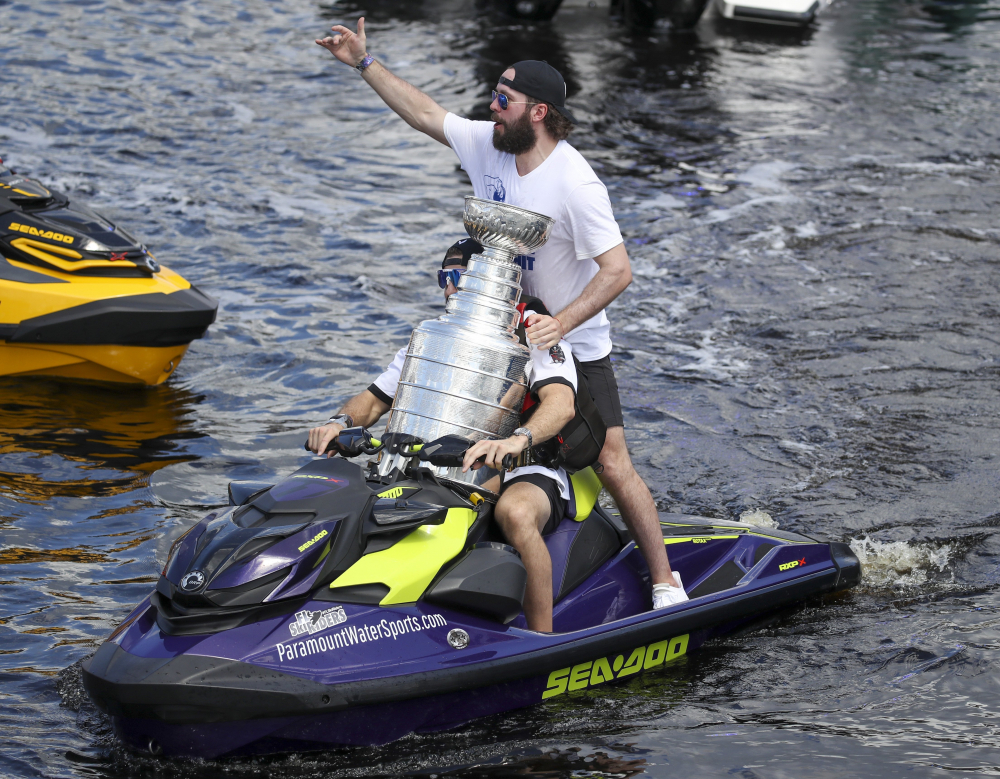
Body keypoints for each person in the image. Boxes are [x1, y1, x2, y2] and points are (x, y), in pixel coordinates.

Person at [315, 21, 687, 608]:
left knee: (613, 461)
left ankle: (666, 582)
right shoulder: (491, 142)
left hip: (565, 341)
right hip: (491, 327)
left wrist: (559, 324)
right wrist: (363, 62)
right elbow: (424, 115)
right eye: (494, 94)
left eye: (503, 99)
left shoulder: (576, 183)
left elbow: (619, 270)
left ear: (538, 112)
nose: (491, 106)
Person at [309, 240, 580, 632]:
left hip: (525, 464)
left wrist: (515, 441)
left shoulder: (532, 331)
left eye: (458, 277)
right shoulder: (432, 338)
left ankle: (542, 639)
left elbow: (561, 404)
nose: (449, 288)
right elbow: (370, 402)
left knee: (515, 515)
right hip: (439, 466)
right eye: (444, 278)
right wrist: (337, 422)